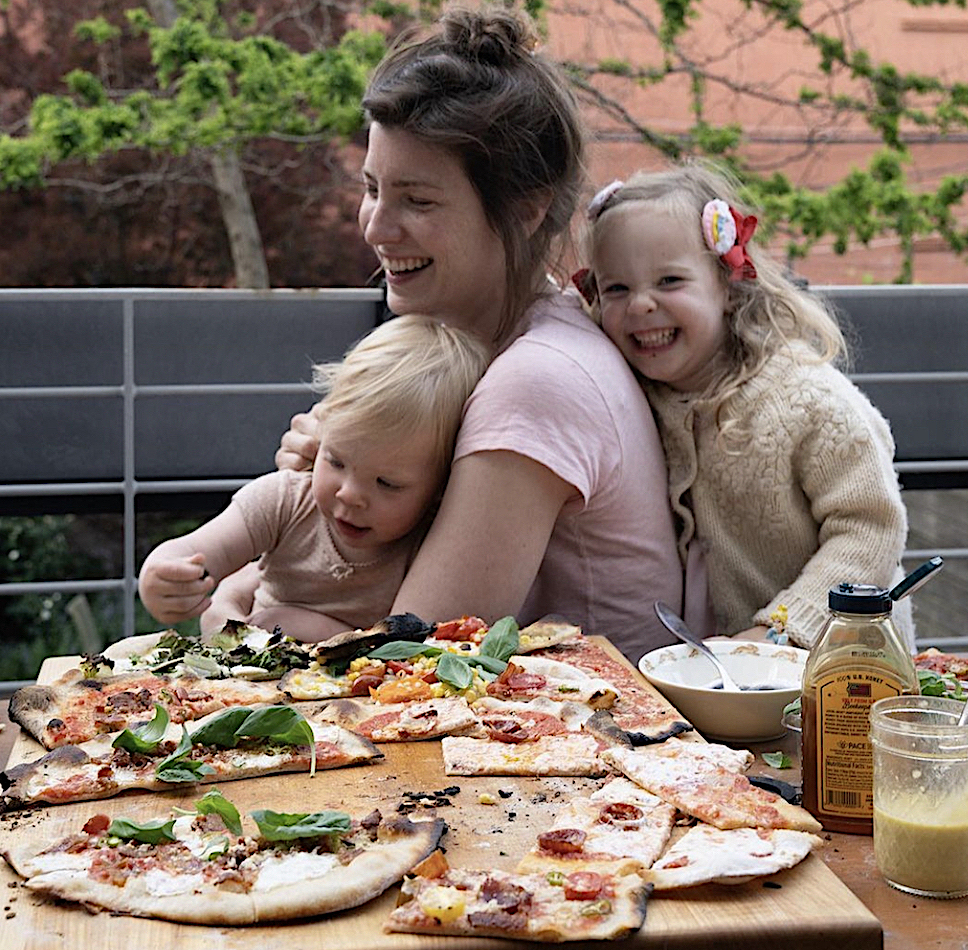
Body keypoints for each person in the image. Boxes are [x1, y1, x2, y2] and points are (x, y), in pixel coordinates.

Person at [224, 4, 685, 664]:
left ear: (524, 213)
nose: (376, 227)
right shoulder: (461, 352)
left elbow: (407, 655)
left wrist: (254, 616)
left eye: (418, 200)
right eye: (372, 188)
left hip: (602, 743)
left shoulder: (537, 379)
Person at [579, 162, 913, 649]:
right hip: (728, 682)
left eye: (669, 280)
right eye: (617, 288)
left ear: (729, 286)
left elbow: (870, 528)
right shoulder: (636, 392)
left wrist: (779, 629)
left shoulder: (808, 399)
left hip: (846, 675)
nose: (641, 305)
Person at [138, 315, 489, 642]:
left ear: (440, 491)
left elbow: (395, 650)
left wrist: (294, 622)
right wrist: (163, 577)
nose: (350, 494)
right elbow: (197, 551)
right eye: (336, 460)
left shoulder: (429, 548)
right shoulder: (285, 501)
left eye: (387, 483)